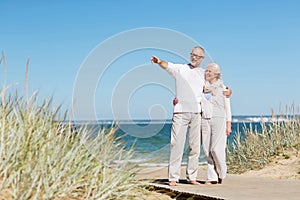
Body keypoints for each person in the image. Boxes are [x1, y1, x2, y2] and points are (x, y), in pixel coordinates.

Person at [151, 46, 206, 186]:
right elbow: (167, 65)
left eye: (197, 56)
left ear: (202, 59)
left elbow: (213, 86)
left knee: (195, 147)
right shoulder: (180, 69)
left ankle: (191, 177)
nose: (194, 58)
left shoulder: (203, 73)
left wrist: (226, 92)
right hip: (180, 112)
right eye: (192, 55)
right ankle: (173, 178)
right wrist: (158, 61)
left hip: (197, 113)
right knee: (176, 145)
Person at [201, 62, 232, 185]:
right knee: (207, 150)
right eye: (206, 71)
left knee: (216, 149)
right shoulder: (202, 87)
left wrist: (228, 124)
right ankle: (211, 178)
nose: (207, 73)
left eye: (209, 71)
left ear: (216, 74)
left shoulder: (223, 88)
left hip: (219, 118)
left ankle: (221, 172)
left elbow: (227, 107)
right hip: (204, 118)